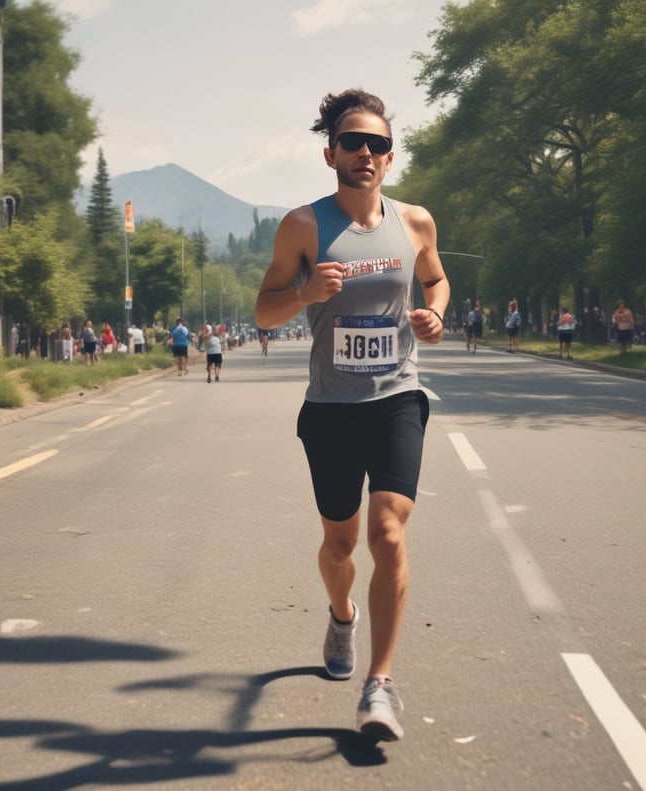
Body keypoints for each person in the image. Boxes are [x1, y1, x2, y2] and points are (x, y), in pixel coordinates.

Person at [255, 88, 450, 742]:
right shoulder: (303, 227)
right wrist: (307, 291)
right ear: (330, 152)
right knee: (340, 543)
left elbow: (437, 278)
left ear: (389, 158)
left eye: (376, 144)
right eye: (352, 142)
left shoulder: (415, 221)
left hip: (398, 396)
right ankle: (342, 613)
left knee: (387, 534)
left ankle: (381, 683)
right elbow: (264, 311)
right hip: (331, 408)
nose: (364, 153)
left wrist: (436, 313)